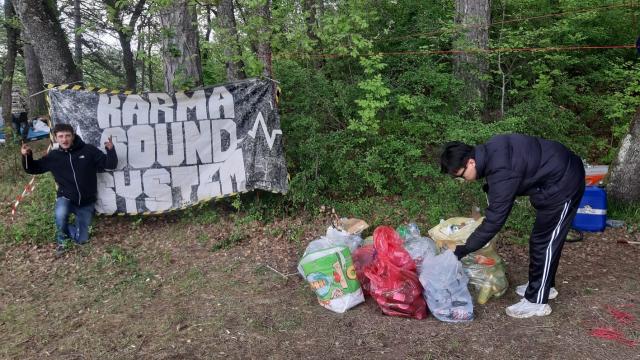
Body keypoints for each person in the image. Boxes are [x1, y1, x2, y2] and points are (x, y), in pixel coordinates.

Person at [440, 134, 585, 318]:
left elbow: (494, 221)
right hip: (555, 175)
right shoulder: (490, 150)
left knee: (545, 242)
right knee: (540, 240)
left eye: (460, 176)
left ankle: (537, 301)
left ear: (470, 162)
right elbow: (507, 178)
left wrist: (463, 249)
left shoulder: (501, 171)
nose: (463, 180)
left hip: (565, 182)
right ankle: (542, 285)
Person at [21, 123, 117, 255]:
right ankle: (62, 242)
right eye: (61, 136)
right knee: (60, 216)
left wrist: (111, 150)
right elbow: (32, 168)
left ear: (73, 136)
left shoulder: (88, 150)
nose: (64, 139)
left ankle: (72, 231)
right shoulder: (53, 156)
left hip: (86, 201)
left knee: (82, 240)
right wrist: (27, 156)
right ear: (56, 138)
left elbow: (110, 164)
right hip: (65, 197)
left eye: (67, 136)